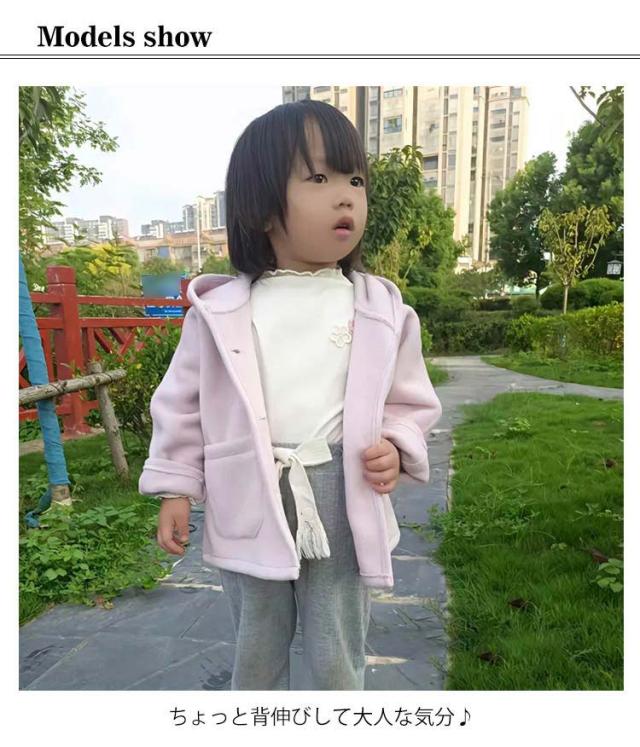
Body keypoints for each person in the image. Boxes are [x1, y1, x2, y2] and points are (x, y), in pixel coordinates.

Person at [139, 99, 443, 690]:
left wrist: (395, 443)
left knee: (336, 645)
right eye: (319, 179)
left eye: (355, 180)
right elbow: (181, 404)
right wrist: (176, 488)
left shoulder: (381, 309)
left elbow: (409, 399)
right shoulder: (219, 311)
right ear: (260, 208)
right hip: (248, 489)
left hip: (342, 491)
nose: (346, 197)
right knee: (256, 643)